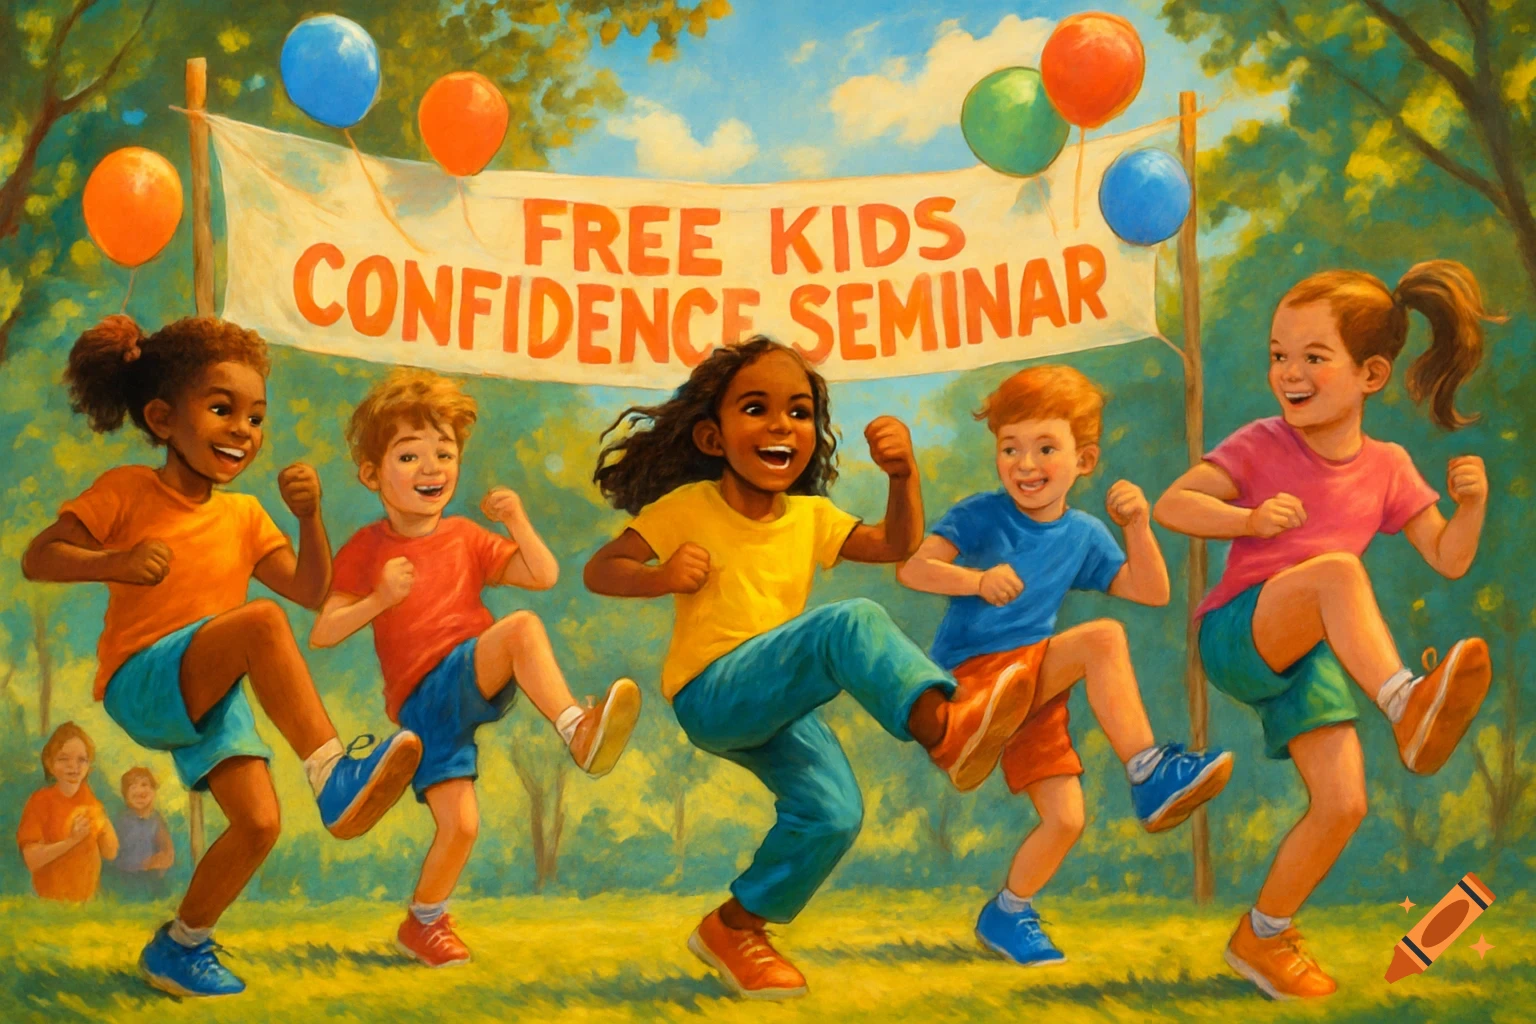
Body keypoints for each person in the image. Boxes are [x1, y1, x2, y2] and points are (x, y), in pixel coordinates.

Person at [584, 337, 1040, 999]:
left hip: (776, 699)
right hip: (711, 692)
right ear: (713, 438)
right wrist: (659, 578)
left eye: (799, 413)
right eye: (756, 408)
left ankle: (734, 929)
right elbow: (602, 569)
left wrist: (902, 477)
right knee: (846, 623)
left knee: (832, 812)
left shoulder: (810, 516)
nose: (781, 426)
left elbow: (895, 545)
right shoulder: (688, 509)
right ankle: (944, 725)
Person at [21, 315, 422, 997]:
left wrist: (309, 517)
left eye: (256, 417)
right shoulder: (125, 490)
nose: (243, 429)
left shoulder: (242, 517)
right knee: (259, 624)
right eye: (221, 409)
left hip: (212, 686)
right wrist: (114, 560)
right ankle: (332, 774)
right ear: (161, 417)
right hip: (143, 677)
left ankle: (181, 946)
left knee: (261, 821)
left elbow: (309, 590)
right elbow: (39, 556)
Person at [1154, 261, 1496, 999]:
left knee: (1344, 801)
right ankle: (1406, 703)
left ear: (1371, 373)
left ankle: (1263, 936)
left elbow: (1446, 558)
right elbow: (1172, 506)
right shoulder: (1260, 445)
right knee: (1339, 571)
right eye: (1279, 355)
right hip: (1240, 633)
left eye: (1314, 357)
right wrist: (1246, 519)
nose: (1290, 373)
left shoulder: (1389, 467)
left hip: (1315, 655)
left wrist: (1469, 508)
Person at [898, 364, 1232, 966]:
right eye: (1010, 449)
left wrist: (1138, 526)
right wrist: (974, 580)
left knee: (1067, 818)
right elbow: (912, 569)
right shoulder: (980, 515)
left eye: (1045, 448)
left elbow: (1150, 591)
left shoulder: (1083, 533)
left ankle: (1007, 913)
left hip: (1033, 688)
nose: (1025, 465)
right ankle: (1148, 770)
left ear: (1084, 460)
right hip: (975, 680)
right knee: (1101, 638)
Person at [311, 368, 641, 967]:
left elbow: (543, 575)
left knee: (462, 825)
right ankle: (575, 727)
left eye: (444, 452)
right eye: (409, 455)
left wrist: (515, 520)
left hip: (465, 683)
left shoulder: (465, 537)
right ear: (370, 474)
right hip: (424, 698)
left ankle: (423, 924)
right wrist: (379, 600)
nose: (432, 468)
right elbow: (324, 631)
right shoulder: (367, 548)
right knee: (515, 638)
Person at [17, 722, 119, 902]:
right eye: (64, 758)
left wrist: (103, 823)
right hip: (51, 901)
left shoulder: (91, 801)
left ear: (89, 765)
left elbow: (111, 853)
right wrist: (71, 841)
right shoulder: (40, 801)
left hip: (87, 902)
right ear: (50, 763)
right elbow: (31, 859)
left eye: (82, 759)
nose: (74, 766)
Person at [109, 766, 174, 902]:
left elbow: (167, 849)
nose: (139, 790)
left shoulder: (156, 819)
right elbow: (112, 852)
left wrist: (160, 861)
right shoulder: (121, 820)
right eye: (133, 787)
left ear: (153, 791)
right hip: (125, 875)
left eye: (144, 785)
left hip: (150, 876)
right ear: (125, 796)